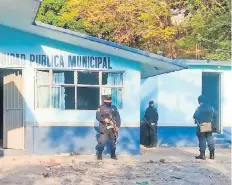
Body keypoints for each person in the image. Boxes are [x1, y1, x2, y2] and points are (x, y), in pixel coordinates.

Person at [96, 95, 121, 160]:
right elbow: (97, 116)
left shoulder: (114, 107)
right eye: (107, 100)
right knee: (102, 142)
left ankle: (113, 155)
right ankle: (99, 155)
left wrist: (118, 126)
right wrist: (104, 120)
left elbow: (118, 117)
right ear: (104, 100)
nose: (109, 101)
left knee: (113, 142)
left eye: (110, 100)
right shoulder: (101, 107)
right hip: (104, 128)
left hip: (112, 128)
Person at [193, 95, 217, 160]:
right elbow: (215, 116)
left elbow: (195, 116)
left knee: (202, 140)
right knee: (210, 139)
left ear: (200, 101)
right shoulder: (211, 108)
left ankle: (202, 155)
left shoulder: (199, 108)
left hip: (201, 127)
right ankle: (212, 155)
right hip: (209, 126)